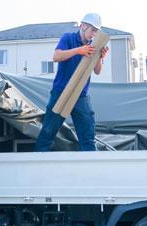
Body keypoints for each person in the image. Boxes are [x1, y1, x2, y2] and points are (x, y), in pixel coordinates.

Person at [35, 13, 109, 152]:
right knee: (48, 132)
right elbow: (56, 57)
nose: (94, 34)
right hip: (61, 91)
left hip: (81, 95)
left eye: (96, 31)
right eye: (92, 30)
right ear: (83, 26)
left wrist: (100, 57)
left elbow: (97, 71)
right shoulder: (68, 38)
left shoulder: (94, 45)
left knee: (87, 137)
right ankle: (38, 164)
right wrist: (78, 51)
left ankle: (90, 169)